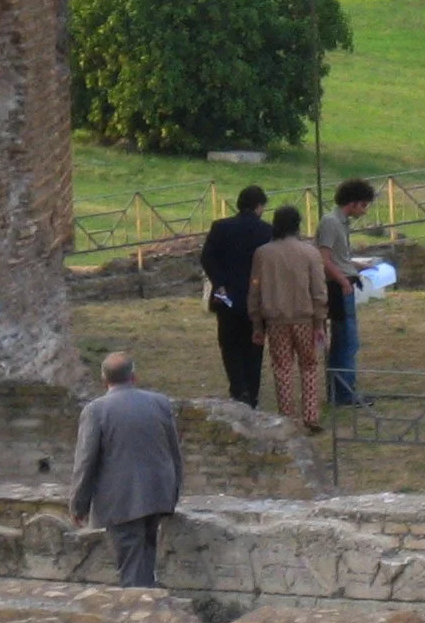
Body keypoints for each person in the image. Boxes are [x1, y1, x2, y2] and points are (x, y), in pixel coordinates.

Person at [70, 352, 184, 589]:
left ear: (104, 380)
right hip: (158, 493)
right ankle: (151, 601)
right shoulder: (160, 402)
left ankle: (140, 608)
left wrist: (78, 505)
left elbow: (85, 462)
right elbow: (174, 451)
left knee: (132, 570)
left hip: (122, 500)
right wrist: (173, 492)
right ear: (134, 376)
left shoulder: (96, 410)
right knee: (146, 557)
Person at [249, 205, 330, 433]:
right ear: (297, 225)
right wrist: (320, 321)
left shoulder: (263, 254)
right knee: (309, 366)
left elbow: (255, 289)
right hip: (305, 319)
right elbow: (319, 290)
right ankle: (311, 416)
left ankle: (287, 417)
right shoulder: (310, 253)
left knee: (282, 367)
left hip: (276, 320)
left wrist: (256, 322)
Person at [200, 185, 273, 407]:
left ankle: (238, 388)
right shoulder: (266, 231)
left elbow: (207, 258)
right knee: (254, 347)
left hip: (227, 298)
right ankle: (252, 393)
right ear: (259, 206)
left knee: (230, 345)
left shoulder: (220, 227)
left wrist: (220, 283)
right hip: (256, 298)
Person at [316, 179, 375, 405]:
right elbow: (324, 258)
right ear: (353, 203)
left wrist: (359, 266)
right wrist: (343, 281)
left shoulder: (342, 223)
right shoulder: (330, 222)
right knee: (346, 341)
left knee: (348, 340)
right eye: (364, 205)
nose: (365, 210)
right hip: (338, 287)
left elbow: (339, 258)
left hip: (344, 282)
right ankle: (343, 393)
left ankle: (343, 390)